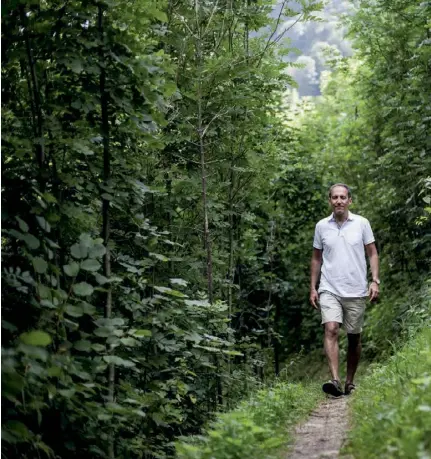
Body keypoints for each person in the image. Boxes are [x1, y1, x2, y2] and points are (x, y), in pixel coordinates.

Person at [310, 183, 380, 397]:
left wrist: (375, 280)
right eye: (334, 197)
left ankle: (350, 381)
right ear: (330, 201)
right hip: (329, 288)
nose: (338, 201)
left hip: (356, 289)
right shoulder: (321, 226)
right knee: (331, 328)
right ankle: (335, 380)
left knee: (353, 337)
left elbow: (372, 253)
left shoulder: (361, 223)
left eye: (342, 197)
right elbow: (316, 257)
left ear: (350, 200)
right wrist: (313, 287)